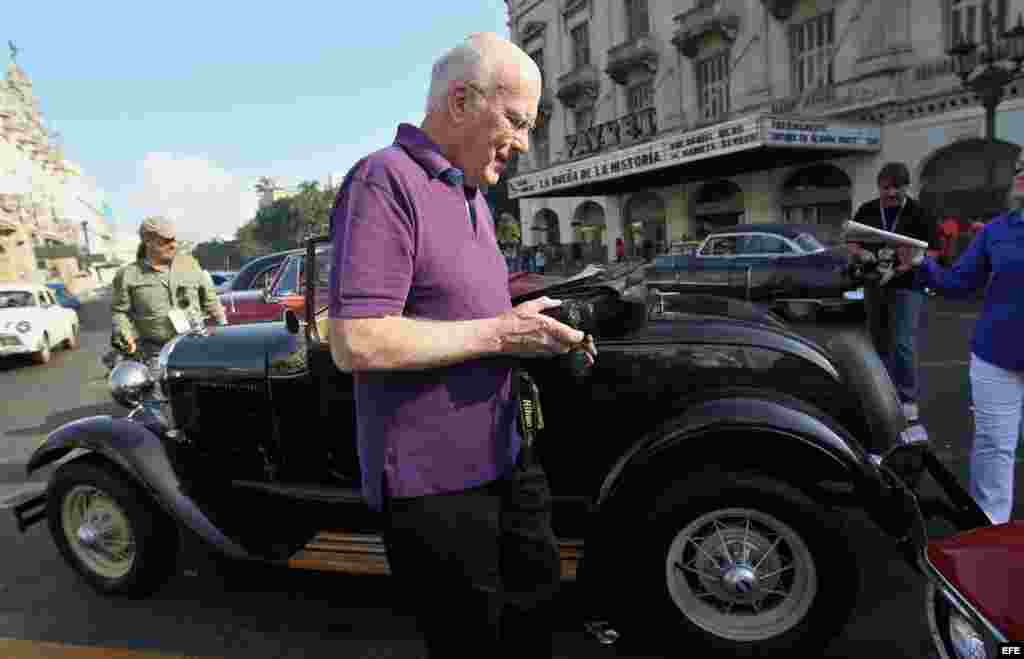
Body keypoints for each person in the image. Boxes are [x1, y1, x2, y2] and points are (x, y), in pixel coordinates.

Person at [325, 32, 597, 658]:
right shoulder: (383, 181)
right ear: (459, 101)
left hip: (505, 456)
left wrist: (521, 317)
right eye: (517, 121)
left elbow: (461, 313)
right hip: (435, 484)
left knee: (537, 616)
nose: (525, 143)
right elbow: (357, 341)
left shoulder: (472, 194)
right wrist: (504, 332)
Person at [895, 198, 1024, 523]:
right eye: (1020, 166)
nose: (1021, 172)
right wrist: (921, 265)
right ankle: (991, 526)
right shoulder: (997, 231)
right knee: (995, 446)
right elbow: (958, 282)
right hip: (997, 356)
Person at [847, 162, 941, 422]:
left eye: (897, 188)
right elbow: (852, 241)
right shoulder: (867, 210)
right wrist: (861, 253)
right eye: (886, 188)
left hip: (907, 286)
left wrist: (907, 265)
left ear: (906, 186)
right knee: (877, 341)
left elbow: (933, 251)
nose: (891, 193)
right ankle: (881, 393)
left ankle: (907, 397)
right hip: (874, 283)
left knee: (902, 343)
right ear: (879, 186)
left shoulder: (919, 213)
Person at [111, 216, 226, 358]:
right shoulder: (128, 275)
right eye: (166, 241)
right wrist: (124, 333)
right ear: (148, 241)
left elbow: (212, 303)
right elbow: (120, 312)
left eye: (173, 239)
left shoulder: (190, 264)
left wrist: (223, 332)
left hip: (197, 346)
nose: (173, 245)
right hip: (156, 354)